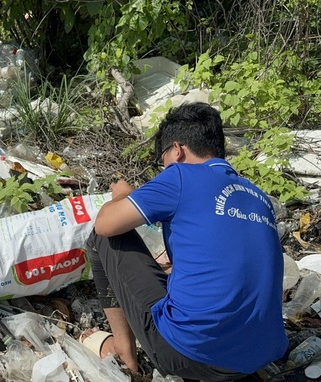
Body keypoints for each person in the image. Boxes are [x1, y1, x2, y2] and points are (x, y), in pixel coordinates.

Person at [85, 102, 287, 380]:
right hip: (257, 355)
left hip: (190, 354)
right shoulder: (258, 196)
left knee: (102, 238)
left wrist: (123, 194)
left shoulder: (180, 175)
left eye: (163, 159)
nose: (164, 167)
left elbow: (105, 224)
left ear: (177, 150)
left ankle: (124, 352)